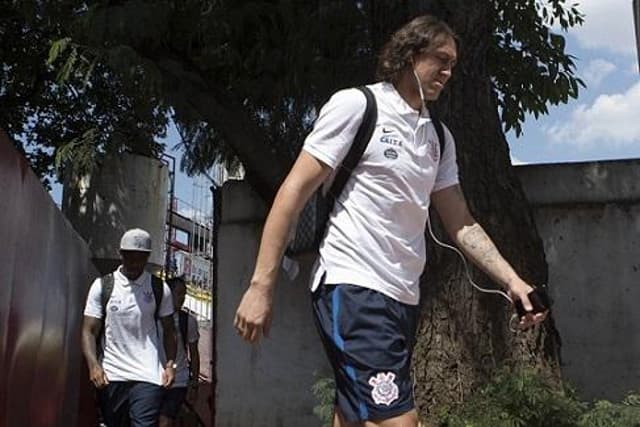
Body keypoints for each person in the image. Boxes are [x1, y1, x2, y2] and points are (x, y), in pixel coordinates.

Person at [234, 14, 547, 427]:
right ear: (409, 55)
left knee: (354, 415)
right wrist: (261, 286)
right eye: (441, 60)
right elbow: (293, 191)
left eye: (454, 64)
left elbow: (462, 222)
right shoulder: (357, 106)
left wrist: (513, 282)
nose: (449, 73)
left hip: (402, 297)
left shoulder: (439, 137)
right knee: (398, 421)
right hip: (354, 286)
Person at [82, 228, 178, 427]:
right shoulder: (102, 286)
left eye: (140, 258)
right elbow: (88, 330)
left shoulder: (159, 288)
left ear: (147, 257)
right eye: (129, 257)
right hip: (112, 374)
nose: (135, 263)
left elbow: (170, 330)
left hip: (148, 374)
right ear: (121, 254)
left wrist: (169, 365)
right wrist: (93, 365)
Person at [159, 276, 201, 427]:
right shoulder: (153, 317)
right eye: (179, 293)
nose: (182, 298)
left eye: (184, 294)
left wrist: (194, 383)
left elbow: (194, 354)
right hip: (152, 378)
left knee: (165, 421)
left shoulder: (188, 321)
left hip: (178, 380)